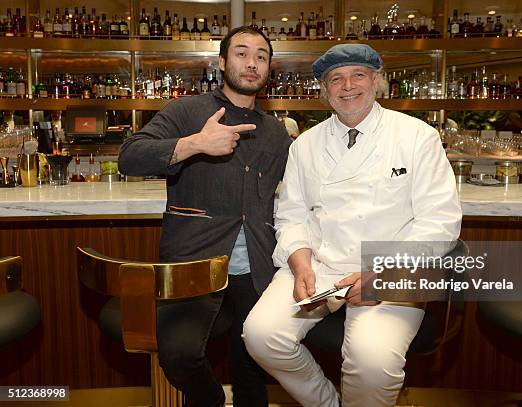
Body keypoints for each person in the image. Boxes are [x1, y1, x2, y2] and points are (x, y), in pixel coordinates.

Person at [242, 44, 462, 407]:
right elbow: (291, 214)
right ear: (324, 91)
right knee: (260, 336)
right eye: (336, 79)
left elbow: (440, 222)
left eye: (358, 75)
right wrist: (299, 262)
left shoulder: (416, 136)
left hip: (391, 265)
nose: (347, 86)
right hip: (321, 264)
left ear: (376, 81)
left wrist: (384, 273)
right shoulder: (305, 145)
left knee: (372, 363)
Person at [118, 26, 291, 407]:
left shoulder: (277, 134)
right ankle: (211, 401)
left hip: (257, 268)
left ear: (268, 69)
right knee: (179, 357)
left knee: (253, 363)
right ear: (222, 62)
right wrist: (194, 143)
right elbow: (130, 156)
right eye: (242, 53)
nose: (251, 63)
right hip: (194, 261)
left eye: (261, 56)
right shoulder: (188, 111)